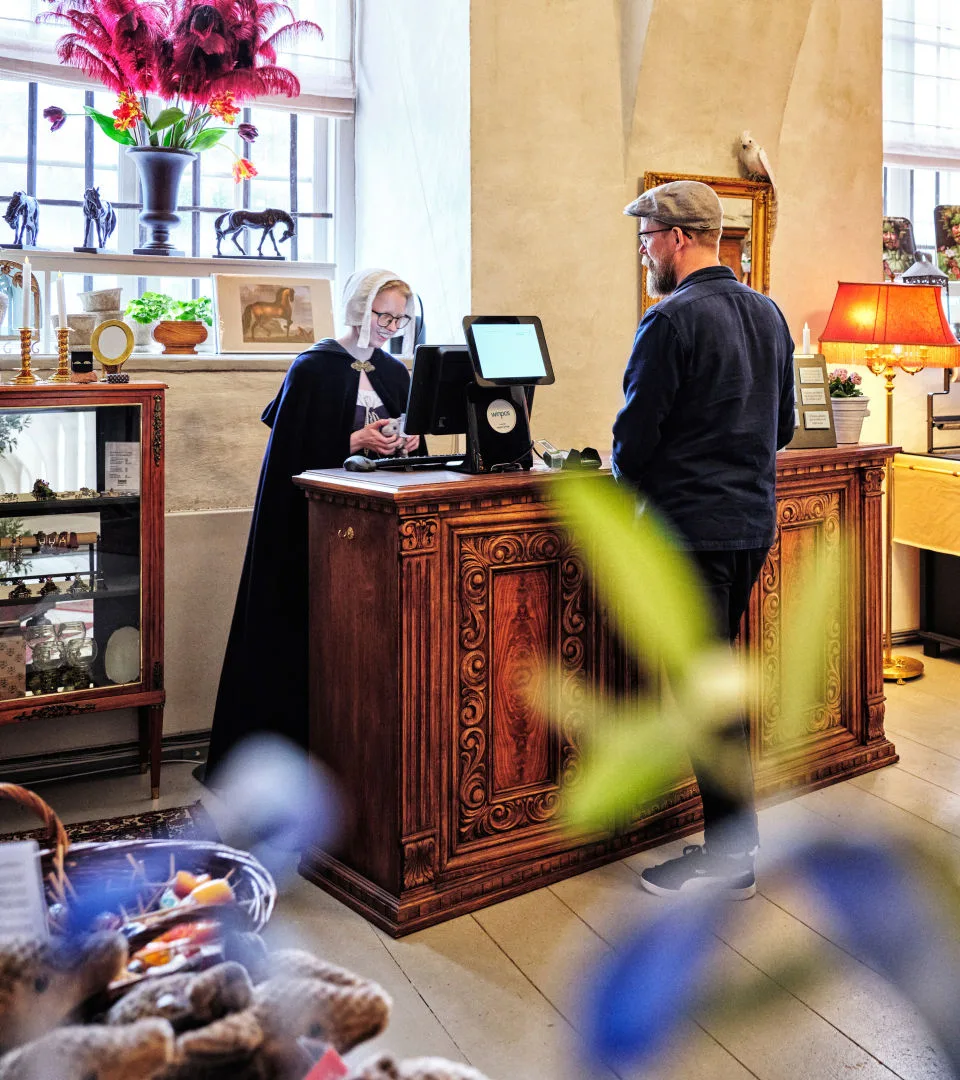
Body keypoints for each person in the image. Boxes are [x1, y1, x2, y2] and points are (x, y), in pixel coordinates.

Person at [612, 180, 795, 899]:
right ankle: (734, 845)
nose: (644, 252)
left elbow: (634, 442)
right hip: (750, 526)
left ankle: (730, 857)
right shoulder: (767, 313)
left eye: (647, 237)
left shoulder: (670, 320)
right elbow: (779, 429)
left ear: (680, 237)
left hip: (688, 535)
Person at [203, 269, 424, 782]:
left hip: (372, 527)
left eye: (399, 317)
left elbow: (416, 433)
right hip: (309, 528)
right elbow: (289, 454)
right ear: (358, 309)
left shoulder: (395, 372)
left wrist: (409, 443)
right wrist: (354, 441)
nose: (390, 325)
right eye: (382, 314)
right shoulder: (314, 368)